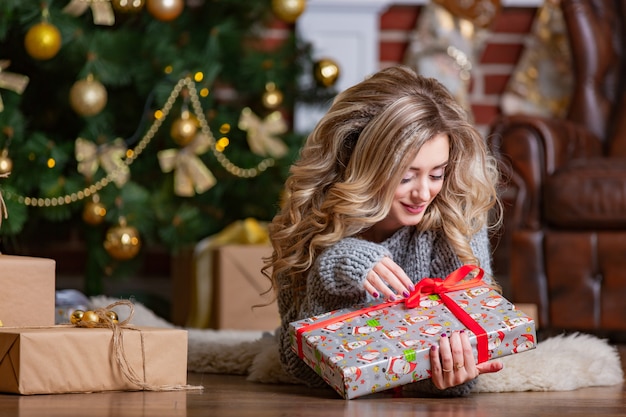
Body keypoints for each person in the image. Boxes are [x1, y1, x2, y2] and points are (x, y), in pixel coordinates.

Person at [264, 65, 504, 397]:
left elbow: (470, 367)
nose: (423, 192)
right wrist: (332, 269)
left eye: (436, 173)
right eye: (406, 176)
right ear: (362, 164)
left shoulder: (458, 214)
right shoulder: (314, 218)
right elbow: (298, 367)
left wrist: (448, 380)